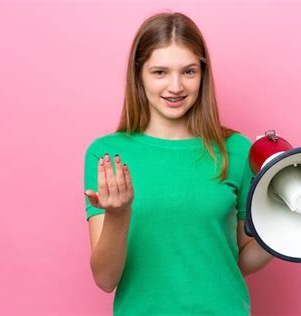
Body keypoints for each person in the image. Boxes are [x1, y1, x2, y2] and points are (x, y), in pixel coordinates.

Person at [83, 11, 274, 315]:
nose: (175, 87)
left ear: (203, 73)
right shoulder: (107, 155)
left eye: (188, 71)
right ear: (139, 75)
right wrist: (118, 214)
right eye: (159, 72)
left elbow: (239, 259)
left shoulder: (236, 150)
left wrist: (284, 230)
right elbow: (106, 279)